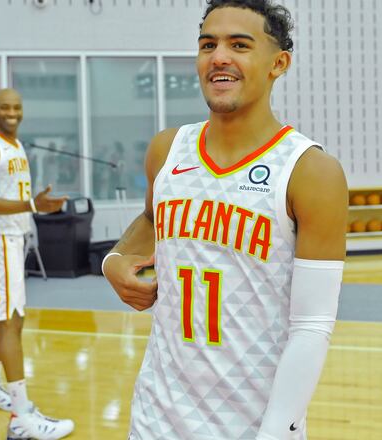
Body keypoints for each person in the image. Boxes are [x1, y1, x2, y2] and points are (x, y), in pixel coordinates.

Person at [102, 1, 348, 439]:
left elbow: (312, 325)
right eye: (207, 44)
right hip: (157, 413)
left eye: (239, 45)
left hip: (252, 422)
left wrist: (277, 430)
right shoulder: (168, 150)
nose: (219, 57)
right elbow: (149, 219)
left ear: (278, 63)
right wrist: (115, 259)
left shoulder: (310, 172)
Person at [0, 88, 74, 440]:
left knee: (13, 318)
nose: (12, 112)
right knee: (10, 321)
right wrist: (32, 206)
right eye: (5, 107)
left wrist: (32, 208)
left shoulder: (14, 143)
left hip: (11, 240)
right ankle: (21, 416)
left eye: (17, 107)